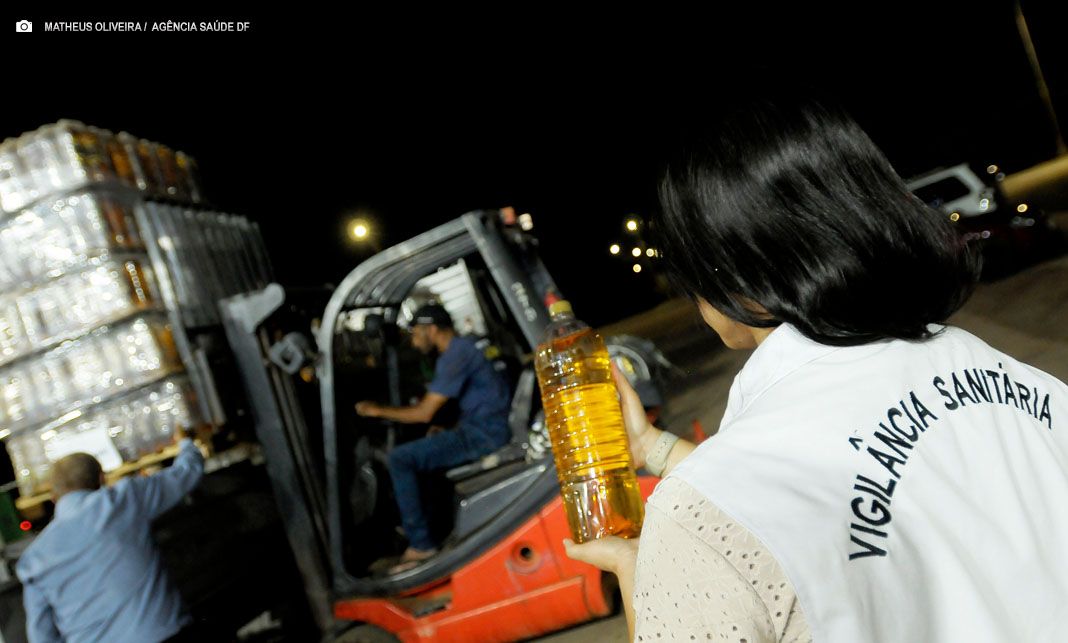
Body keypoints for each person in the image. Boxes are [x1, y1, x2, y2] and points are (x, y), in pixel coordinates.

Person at [565, 92, 1068, 642]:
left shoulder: (697, 524)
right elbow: (844, 476)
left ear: (740, 276)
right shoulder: (1015, 378)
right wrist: (653, 447)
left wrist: (643, 574)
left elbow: (798, 499)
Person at [355, 303, 511, 572]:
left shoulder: (455, 354)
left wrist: (376, 409)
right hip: (483, 425)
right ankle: (436, 529)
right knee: (426, 453)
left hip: (484, 433)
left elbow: (424, 413)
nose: (414, 342)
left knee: (401, 459)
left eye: (416, 334)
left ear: (432, 329)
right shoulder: (466, 346)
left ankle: (421, 545)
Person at [17, 430, 205, 643]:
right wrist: (185, 442)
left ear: (53, 497)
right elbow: (186, 474)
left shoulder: (33, 560)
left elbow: (41, 637)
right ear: (102, 479)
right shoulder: (123, 500)